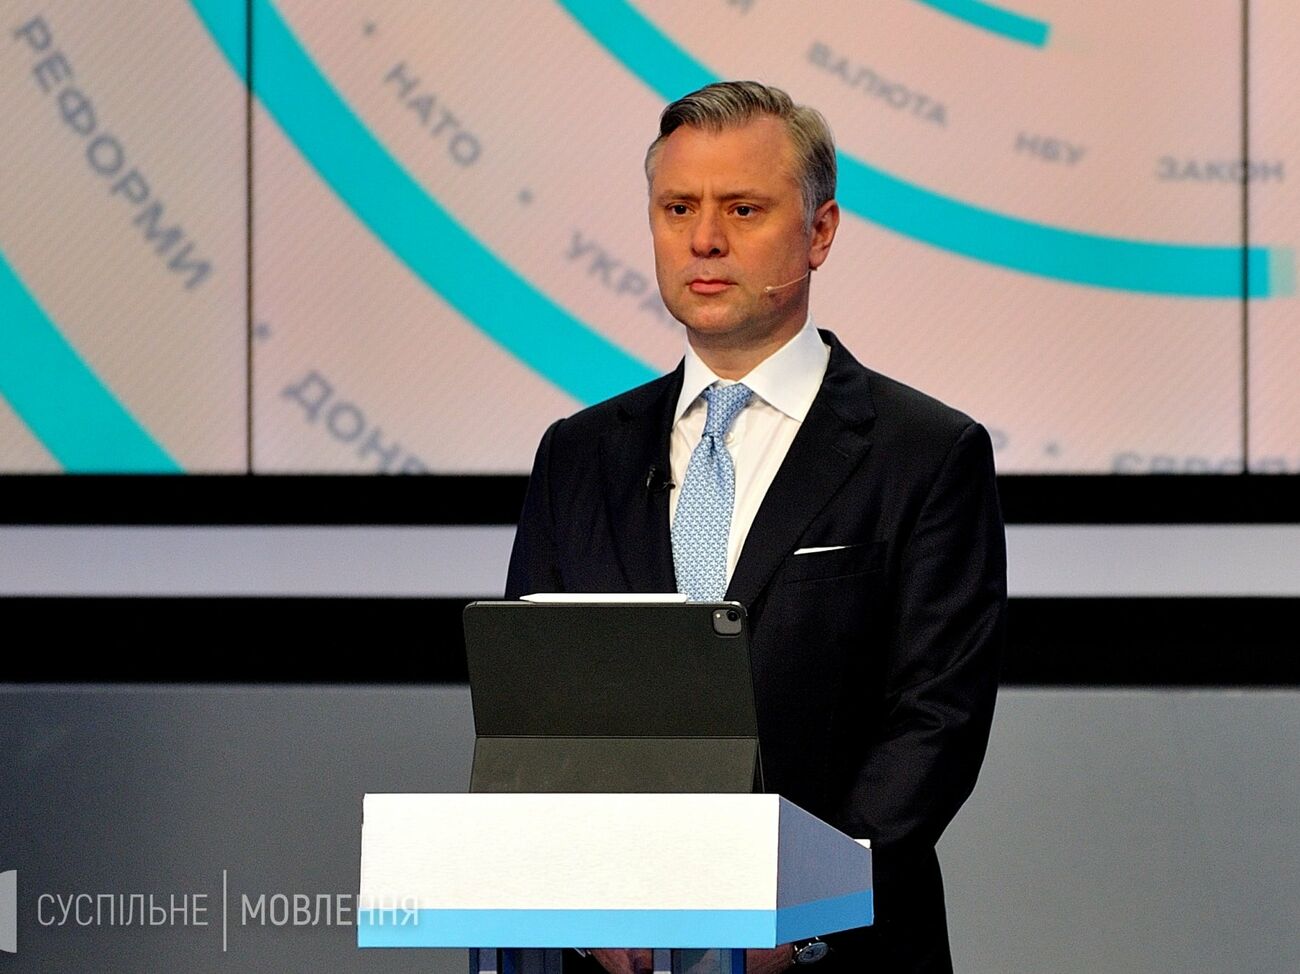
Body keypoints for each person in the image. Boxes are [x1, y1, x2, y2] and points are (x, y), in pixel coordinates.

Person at [506, 81, 1006, 974]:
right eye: (678, 208)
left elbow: (935, 722)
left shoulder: (926, 454)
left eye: (742, 209)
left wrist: (802, 911)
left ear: (820, 232)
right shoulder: (576, 455)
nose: (704, 238)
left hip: (834, 954)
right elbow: (533, 713)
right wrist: (582, 900)